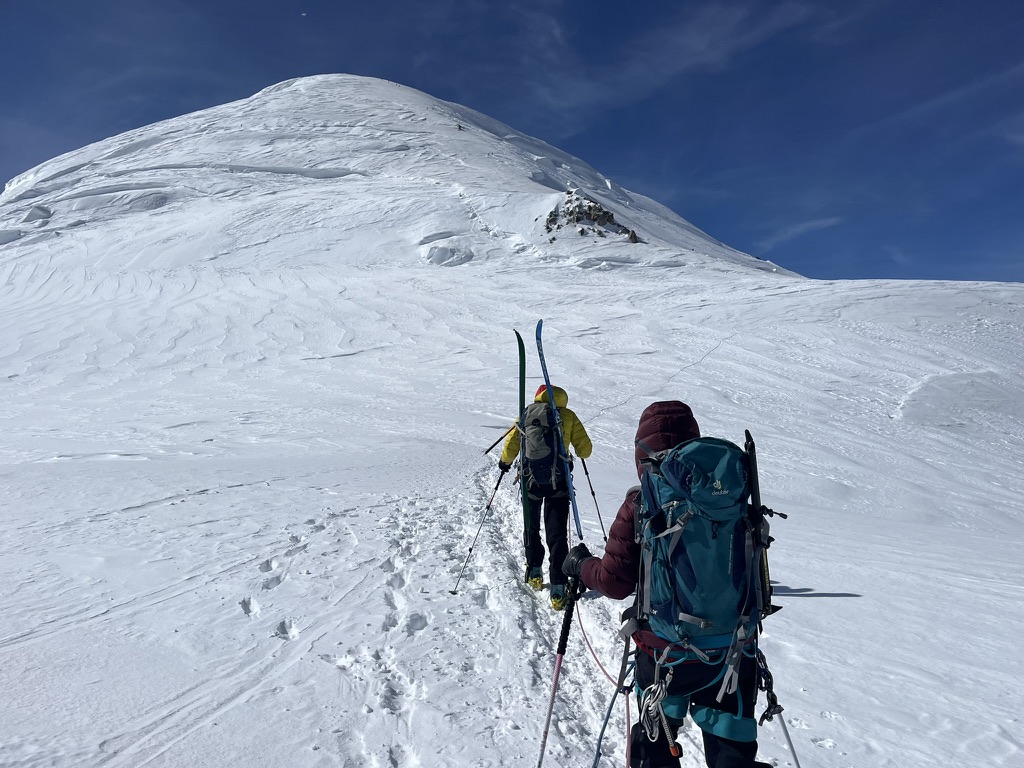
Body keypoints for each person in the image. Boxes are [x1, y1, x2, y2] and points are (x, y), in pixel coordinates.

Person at [563, 401, 771, 768]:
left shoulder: (642, 501)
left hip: (665, 654)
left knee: (656, 746)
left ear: (641, 452)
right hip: (734, 650)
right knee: (733, 752)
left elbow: (614, 582)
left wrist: (580, 564)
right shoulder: (731, 492)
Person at [499, 384, 592, 611]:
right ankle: (558, 585)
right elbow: (585, 450)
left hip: (530, 481)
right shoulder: (568, 415)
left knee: (531, 528)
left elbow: (513, 443)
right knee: (557, 534)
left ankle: (534, 570)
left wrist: (504, 463)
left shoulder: (527, 414)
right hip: (558, 484)